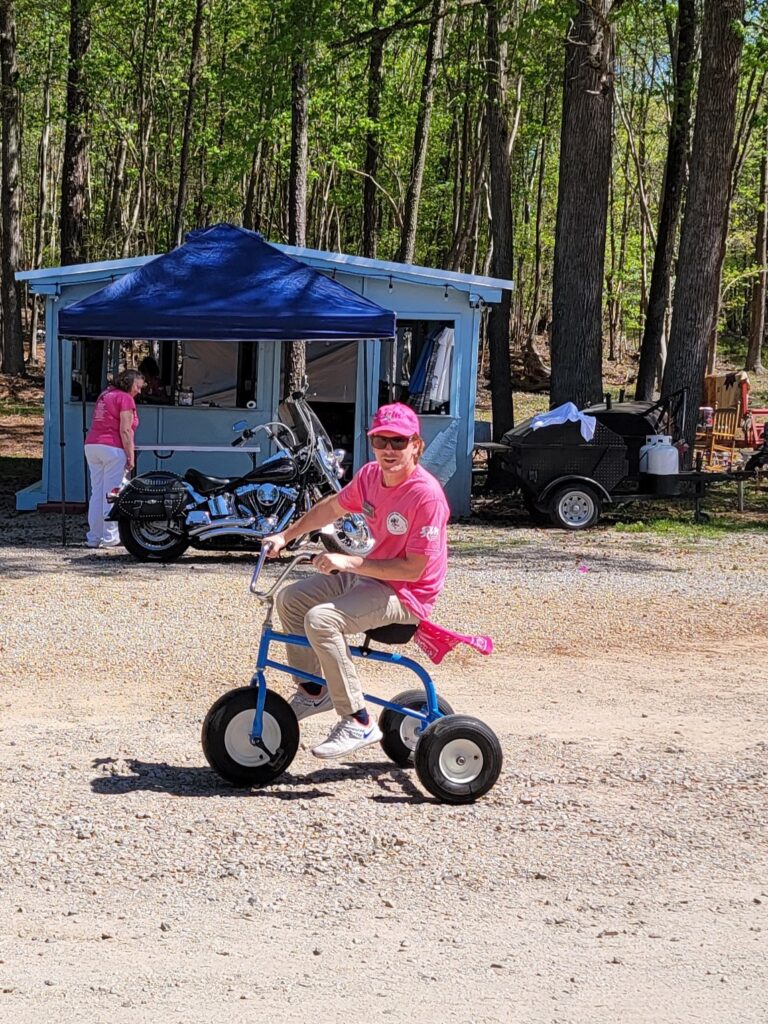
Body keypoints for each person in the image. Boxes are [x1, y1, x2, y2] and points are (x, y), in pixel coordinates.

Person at [264, 402, 450, 760]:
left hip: (406, 594)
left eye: (399, 441)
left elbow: (414, 569)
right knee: (291, 599)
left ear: (416, 445)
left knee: (322, 620)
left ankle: (358, 719)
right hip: (369, 577)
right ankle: (314, 689)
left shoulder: (425, 495)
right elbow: (331, 508)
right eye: (381, 440)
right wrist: (284, 536)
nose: (389, 450)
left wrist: (348, 561)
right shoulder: (369, 476)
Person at [84, 369, 144, 548]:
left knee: (97, 493)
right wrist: (130, 456)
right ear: (129, 384)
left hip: (92, 444)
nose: (139, 391)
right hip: (112, 447)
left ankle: (94, 536)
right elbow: (125, 430)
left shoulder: (105, 394)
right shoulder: (125, 398)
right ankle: (110, 537)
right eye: (137, 387)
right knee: (112, 494)